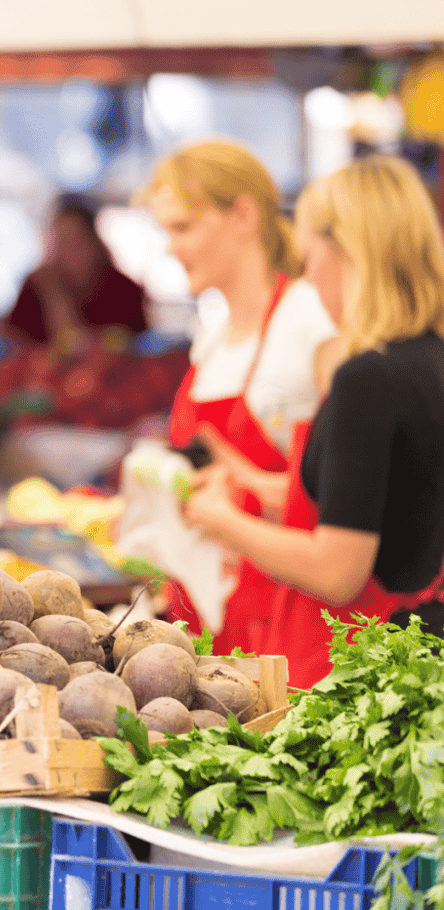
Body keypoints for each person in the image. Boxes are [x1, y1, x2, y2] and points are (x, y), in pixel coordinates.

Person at [186, 155, 444, 687]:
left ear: (347, 253)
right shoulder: (429, 360)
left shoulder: (368, 379)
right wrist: (252, 484)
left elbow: (337, 571)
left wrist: (225, 522)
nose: (308, 280)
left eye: (309, 259)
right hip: (417, 662)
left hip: (353, 672)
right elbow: (383, 501)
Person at [143, 140, 338, 655]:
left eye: (183, 227)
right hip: (211, 610)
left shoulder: (311, 320)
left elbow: (350, 494)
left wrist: (244, 490)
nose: (170, 247)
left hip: (289, 620)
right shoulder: (211, 339)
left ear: (244, 216)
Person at [5, 194, 148, 351]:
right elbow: (11, 340)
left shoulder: (124, 289)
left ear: (95, 242)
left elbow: (136, 345)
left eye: (75, 241)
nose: (66, 251)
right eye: (60, 242)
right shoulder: (36, 285)